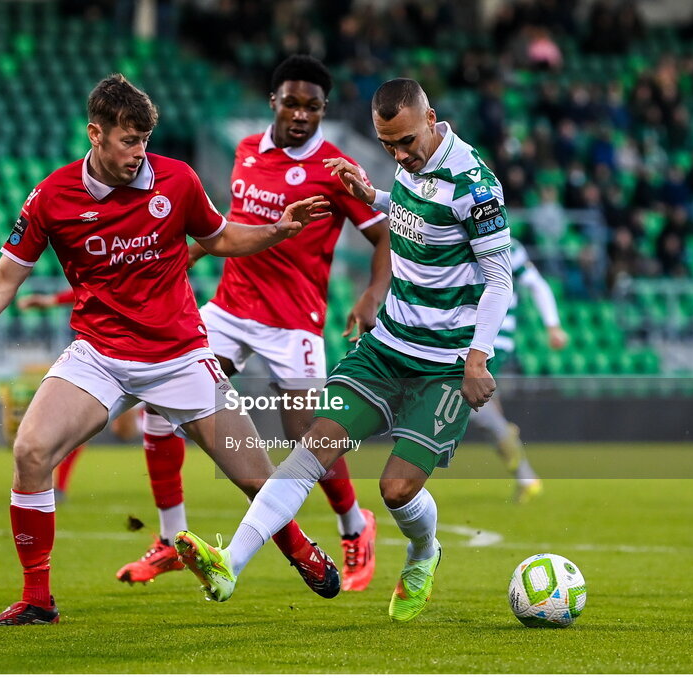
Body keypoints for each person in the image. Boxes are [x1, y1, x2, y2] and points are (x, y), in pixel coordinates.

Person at [0, 74, 339, 626]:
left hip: (180, 355)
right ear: (95, 134)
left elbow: (220, 238)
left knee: (254, 476)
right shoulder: (52, 197)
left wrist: (277, 229)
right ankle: (38, 598)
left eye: (145, 141)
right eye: (128, 141)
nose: (140, 153)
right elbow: (2, 281)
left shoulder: (176, 181)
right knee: (30, 452)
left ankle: (300, 546)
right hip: (100, 356)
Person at [175, 78, 513, 623]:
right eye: (388, 146)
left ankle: (425, 550)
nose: (399, 154)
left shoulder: (475, 184)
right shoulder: (410, 164)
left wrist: (479, 356)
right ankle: (228, 566)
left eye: (405, 142)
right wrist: (371, 194)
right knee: (310, 450)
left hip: (444, 366)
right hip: (386, 349)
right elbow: (413, 210)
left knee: (397, 490)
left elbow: (499, 277)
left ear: (432, 118)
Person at [115, 55, 390, 592]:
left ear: (323, 110)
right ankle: (172, 539)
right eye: (292, 102)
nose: (301, 114)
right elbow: (232, 225)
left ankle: (355, 525)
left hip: (295, 321)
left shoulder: (335, 168)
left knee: (308, 437)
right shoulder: (245, 152)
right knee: (163, 404)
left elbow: (383, 238)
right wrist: (195, 251)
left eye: (313, 106)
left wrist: (371, 296)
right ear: (274, 101)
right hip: (231, 309)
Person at [16, 288, 143, 501]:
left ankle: (171, 516)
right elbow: (89, 289)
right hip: (107, 360)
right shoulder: (115, 274)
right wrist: (50, 300)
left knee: (129, 431)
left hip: (150, 357)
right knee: (80, 427)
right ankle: (59, 487)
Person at [468, 240, 567, 502]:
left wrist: (553, 325)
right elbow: (536, 284)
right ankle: (526, 476)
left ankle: (518, 459)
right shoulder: (505, 243)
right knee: (483, 411)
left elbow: (536, 284)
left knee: (475, 409)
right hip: (480, 338)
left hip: (486, 340)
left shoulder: (505, 245)